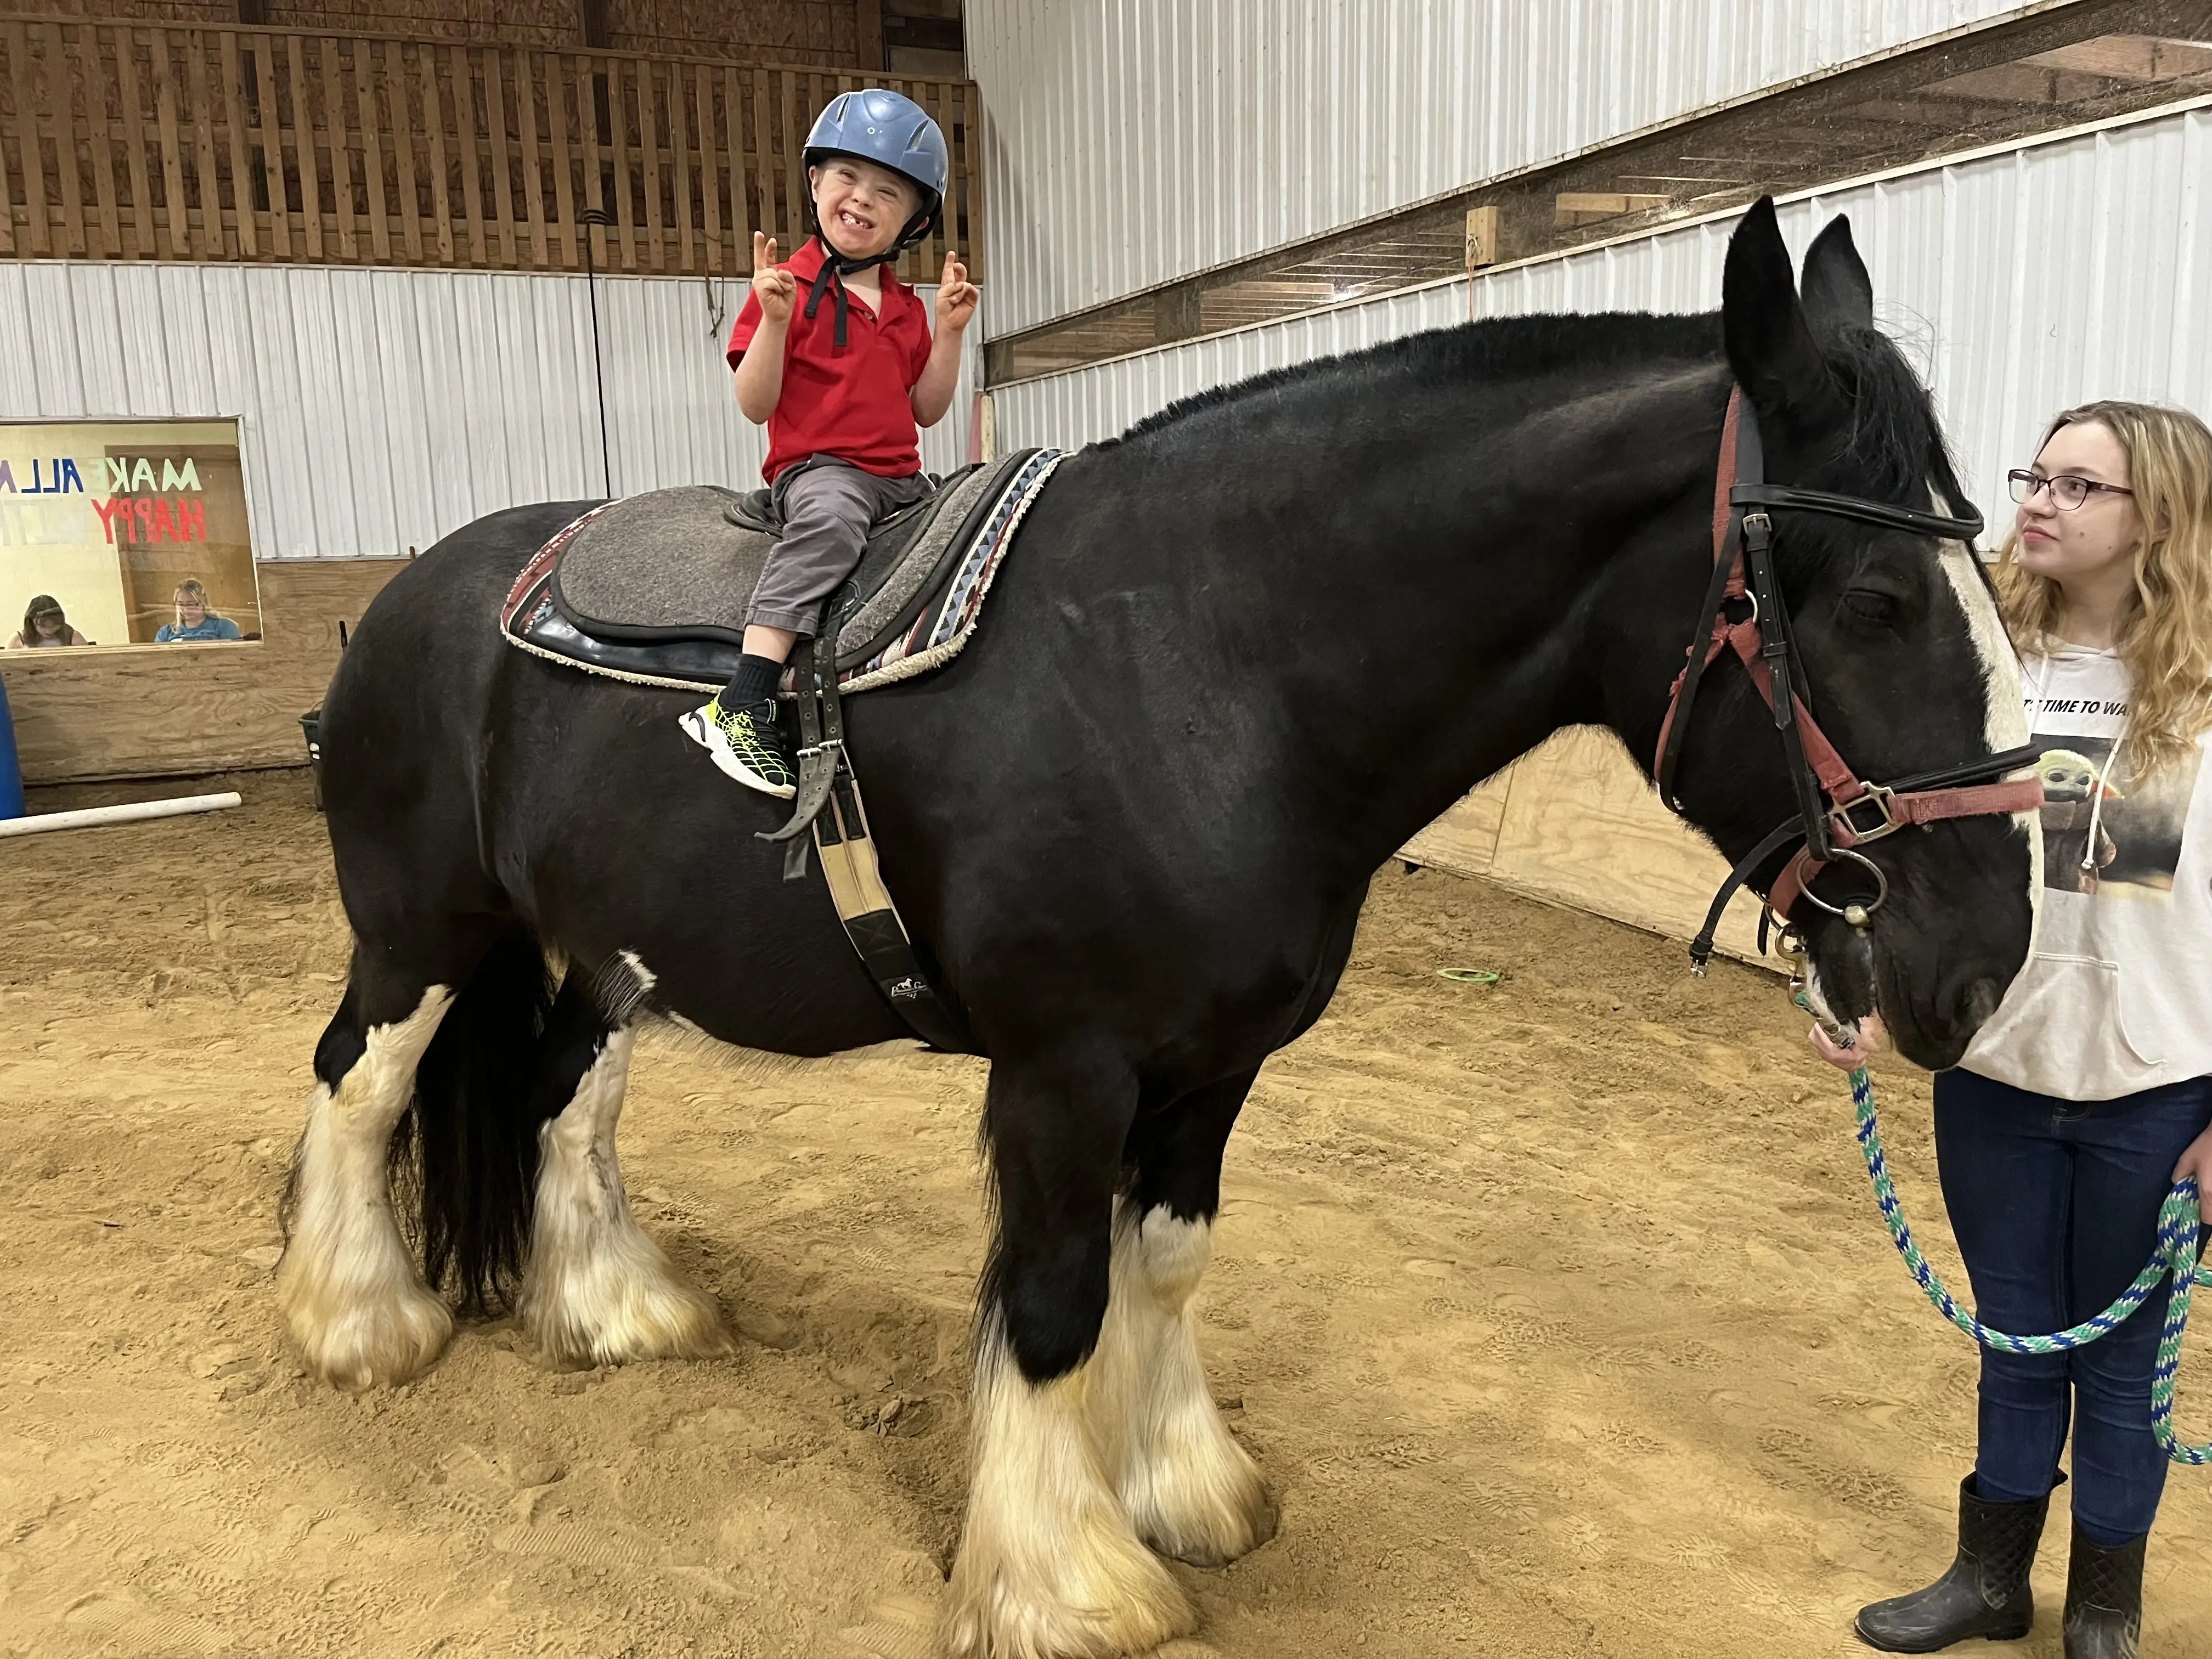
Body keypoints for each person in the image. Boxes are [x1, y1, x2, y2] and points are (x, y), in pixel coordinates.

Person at [1820, 400, 2212, 1659]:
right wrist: (1867, 981)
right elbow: (1910, 868)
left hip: (2159, 1086)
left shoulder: (2200, 697)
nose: (2036, 501)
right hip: (1995, 1067)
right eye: (2034, 477)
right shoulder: (1978, 673)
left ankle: (2106, 1603)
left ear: (2161, 519)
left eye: (2078, 486)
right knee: (2018, 1337)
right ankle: (1990, 1579)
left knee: (2123, 1359)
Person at [678, 87, 979, 797]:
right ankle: (743, 702)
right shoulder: (784, 287)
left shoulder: (906, 307)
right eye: (848, 177)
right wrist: (776, 321)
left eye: (889, 191)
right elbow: (756, 404)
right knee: (830, 526)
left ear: (914, 219)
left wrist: (950, 334)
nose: (863, 198)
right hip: (824, 474)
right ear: (816, 183)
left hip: (901, 478)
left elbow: (927, 411)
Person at [155, 579, 243, 643]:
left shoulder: (224, 627)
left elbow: (234, 656)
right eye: (181, 604)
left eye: (191, 604)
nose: (186, 609)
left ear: (203, 603)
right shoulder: (166, 632)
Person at [7, 595, 91, 647]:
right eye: (42, 625)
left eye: (54, 624)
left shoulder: (73, 637)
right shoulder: (18, 640)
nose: (49, 630)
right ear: (31, 621)